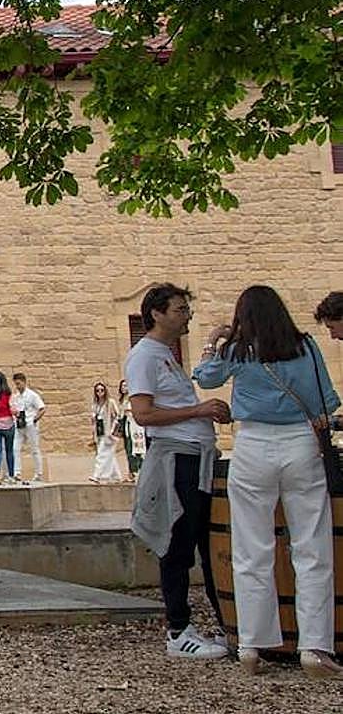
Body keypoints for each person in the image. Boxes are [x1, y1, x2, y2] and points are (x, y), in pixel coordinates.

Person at [192, 285, 341, 677]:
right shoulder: (305, 345)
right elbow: (328, 399)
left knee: (251, 549)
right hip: (300, 446)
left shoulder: (238, 350)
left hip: (253, 444)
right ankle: (314, 648)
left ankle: (252, 645)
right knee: (312, 549)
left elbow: (205, 379)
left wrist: (212, 341)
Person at [124, 282, 233, 662]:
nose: (187, 315)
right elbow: (143, 414)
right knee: (177, 541)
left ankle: (221, 623)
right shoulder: (144, 357)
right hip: (175, 460)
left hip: (195, 456)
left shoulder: (166, 355)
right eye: (180, 309)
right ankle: (178, 628)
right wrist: (198, 411)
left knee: (201, 539)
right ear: (157, 313)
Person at [12, 372, 48, 482]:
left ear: (24, 382)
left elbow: (42, 408)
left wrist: (34, 420)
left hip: (30, 424)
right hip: (19, 425)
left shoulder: (32, 395)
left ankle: (39, 473)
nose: (17, 386)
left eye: (19, 384)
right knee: (15, 448)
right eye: (16, 384)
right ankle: (17, 472)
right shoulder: (16, 397)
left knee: (34, 449)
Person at [89, 382, 125, 484]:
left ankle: (96, 475)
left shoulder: (110, 402)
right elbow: (94, 421)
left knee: (101, 455)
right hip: (100, 433)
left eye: (102, 390)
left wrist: (113, 431)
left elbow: (118, 417)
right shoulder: (95, 405)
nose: (100, 392)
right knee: (109, 455)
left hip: (109, 433)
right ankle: (117, 476)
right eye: (97, 390)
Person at [118, 378, 145, 475]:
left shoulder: (134, 398)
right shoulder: (122, 400)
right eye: (122, 386)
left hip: (135, 425)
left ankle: (138, 469)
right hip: (127, 424)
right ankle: (131, 471)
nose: (124, 388)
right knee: (128, 447)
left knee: (137, 447)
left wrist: (130, 411)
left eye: (126, 385)